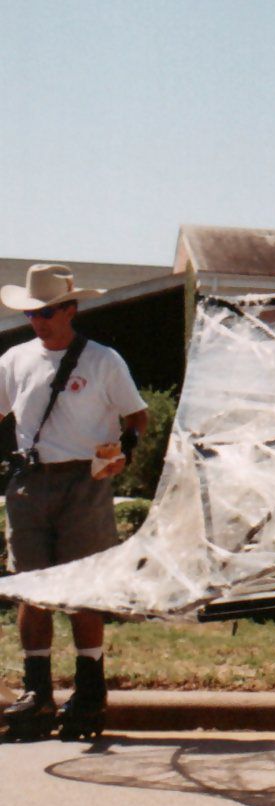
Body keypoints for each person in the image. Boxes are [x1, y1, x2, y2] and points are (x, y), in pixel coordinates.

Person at [1, 265, 150, 741]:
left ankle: (89, 690)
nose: (37, 322)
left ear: (70, 310)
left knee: (84, 587)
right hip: (30, 482)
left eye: (46, 313)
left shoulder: (103, 360)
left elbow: (137, 416)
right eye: (31, 314)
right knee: (31, 588)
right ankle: (37, 692)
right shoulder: (15, 360)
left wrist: (124, 452)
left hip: (85, 482)